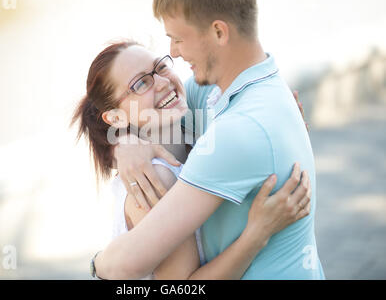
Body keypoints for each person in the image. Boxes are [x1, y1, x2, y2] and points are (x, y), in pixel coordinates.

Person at [94, 0, 326, 280]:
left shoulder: (237, 132)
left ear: (219, 32)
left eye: (178, 38)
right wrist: (124, 141)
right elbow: (153, 109)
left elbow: (132, 267)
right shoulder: (234, 91)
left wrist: (95, 265)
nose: (173, 52)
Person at [72, 41, 312, 279]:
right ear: (115, 117)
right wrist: (257, 234)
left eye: (161, 67)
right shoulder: (154, 179)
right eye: (141, 83)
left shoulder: (195, 136)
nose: (163, 83)